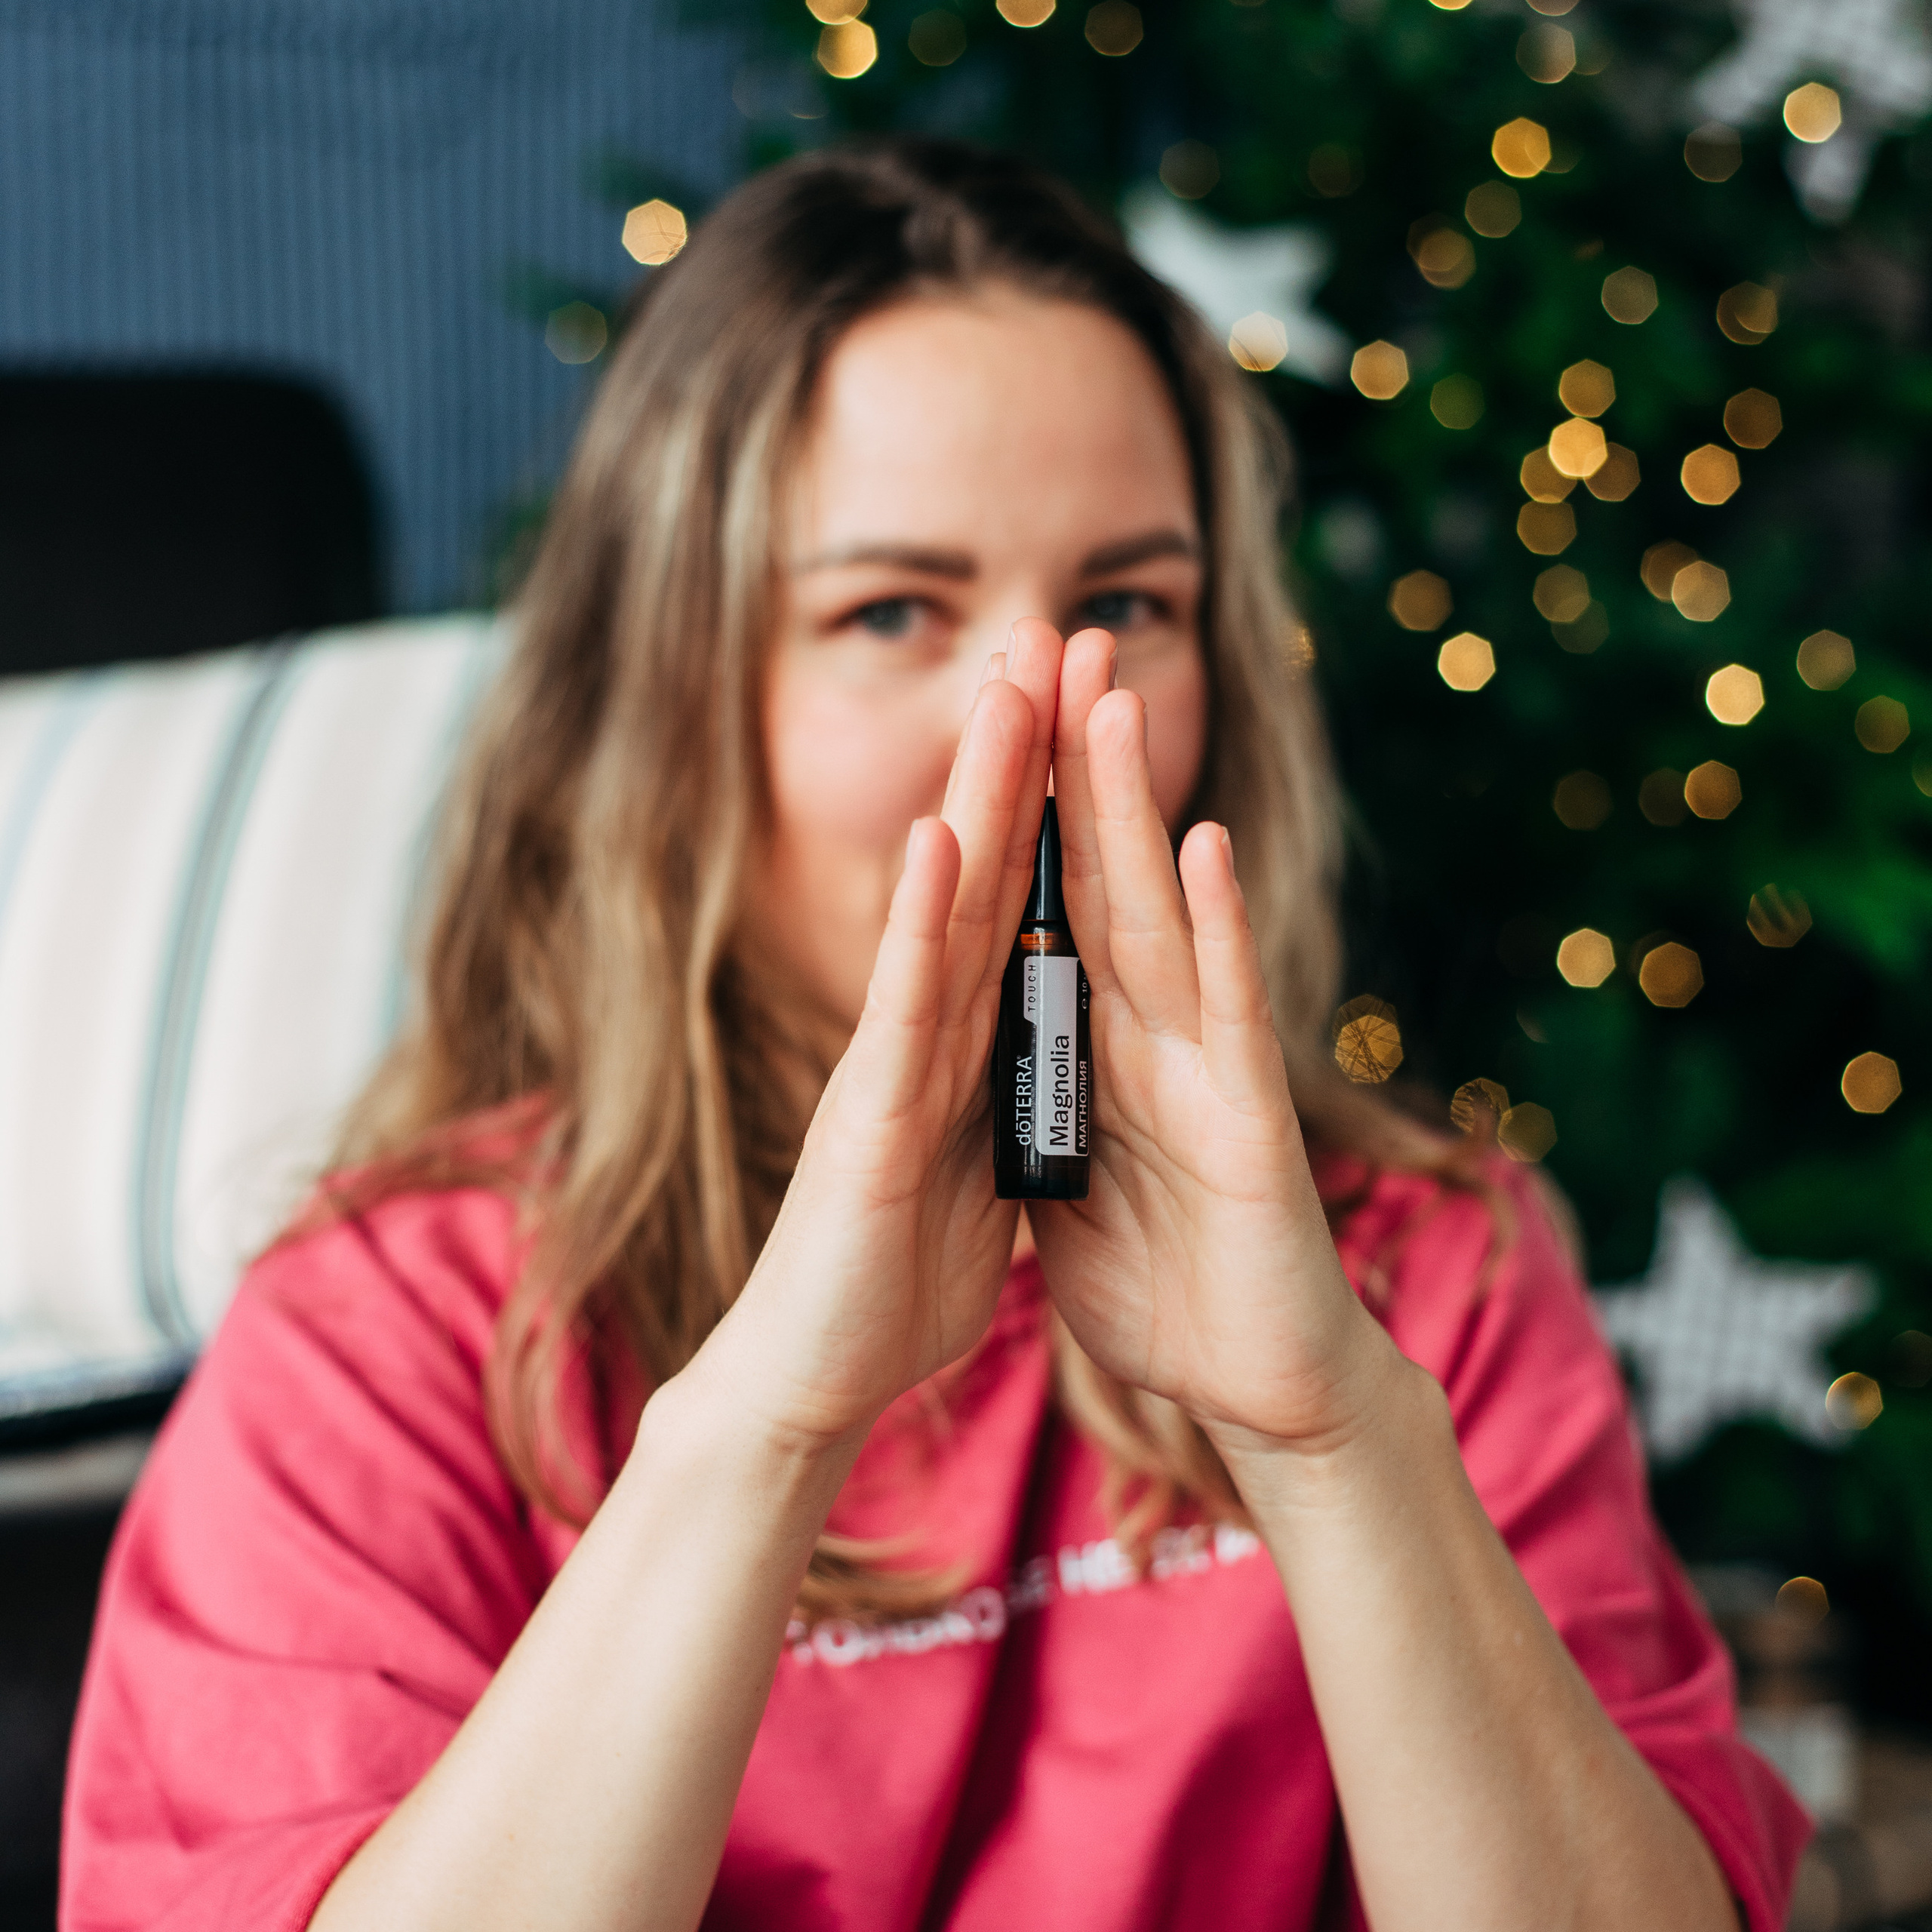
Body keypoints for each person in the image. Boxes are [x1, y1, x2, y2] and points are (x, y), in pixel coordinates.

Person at [63, 140, 1807, 1932]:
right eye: (890, 611)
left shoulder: (1428, 1274)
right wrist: (762, 1426)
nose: (1034, 727)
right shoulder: (386, 1332)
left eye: (1127, 606)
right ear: (672, 704)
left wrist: (1329, 1439)